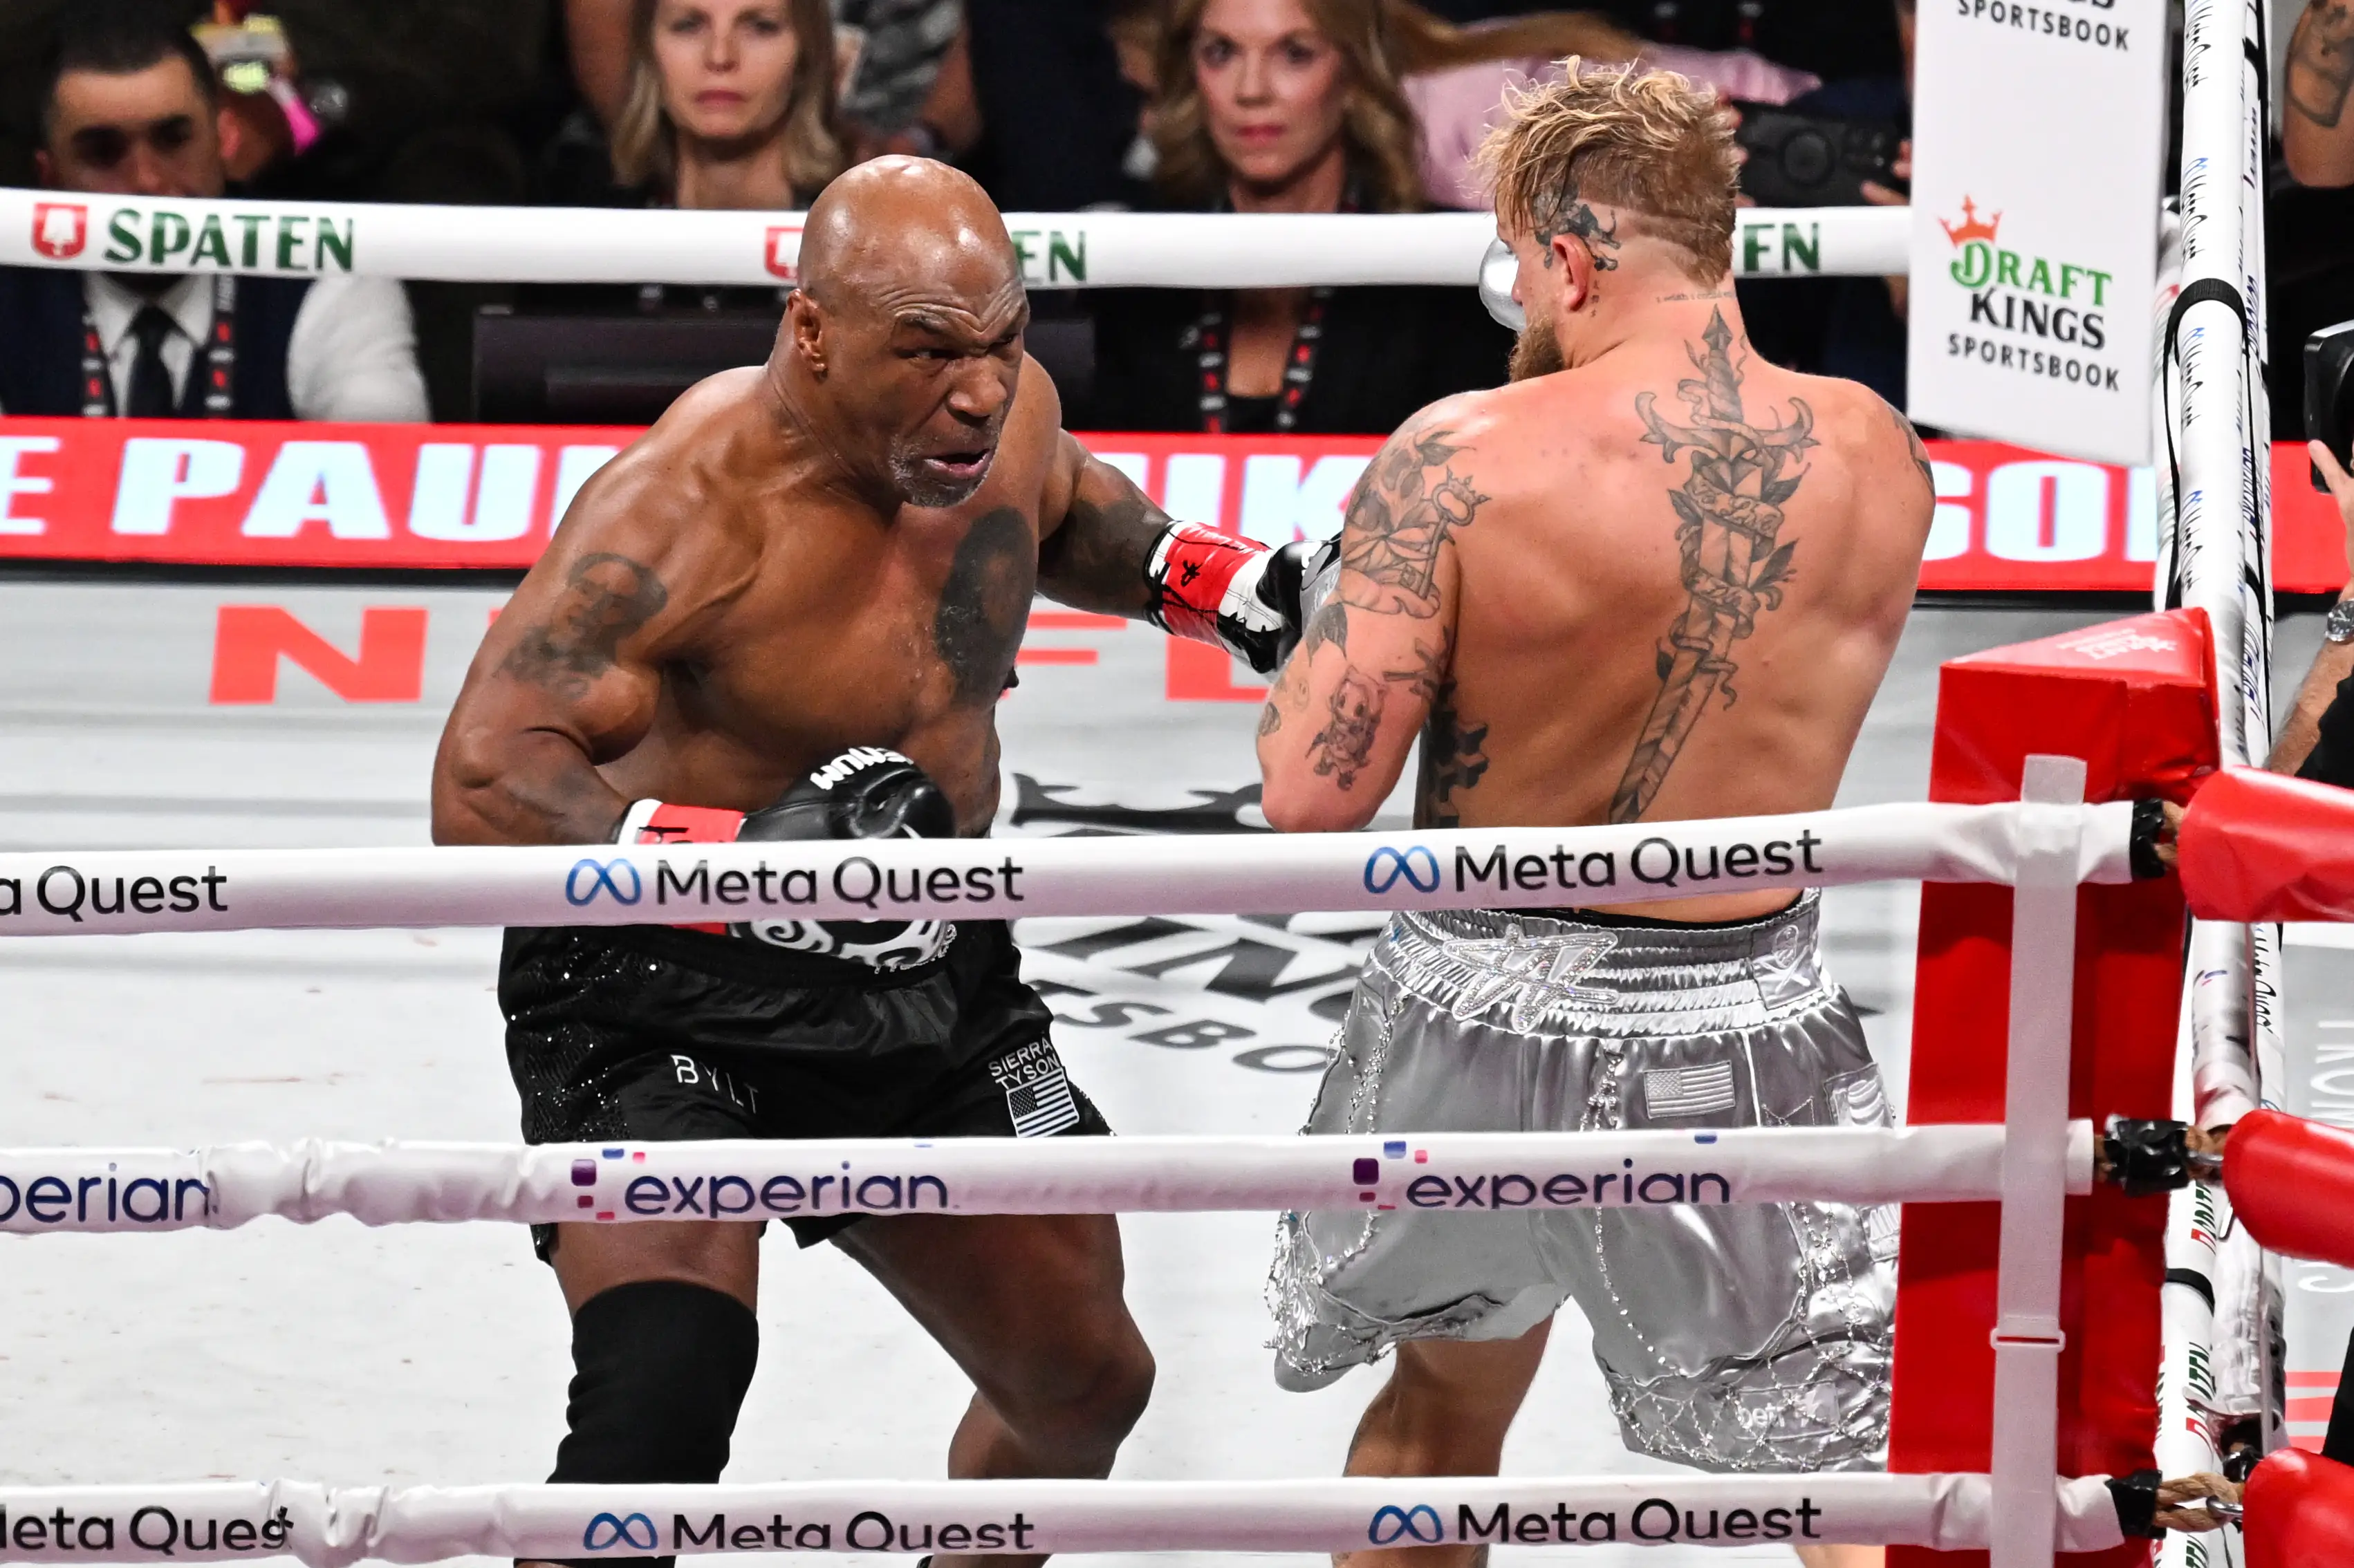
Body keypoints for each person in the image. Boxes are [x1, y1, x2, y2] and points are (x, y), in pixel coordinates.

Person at [431, 156, 1332, 1568]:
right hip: (662, 981)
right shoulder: (684, 508)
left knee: (1083, 1386)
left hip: (928, 962)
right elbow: (484, 772)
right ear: (810, 334)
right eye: (925, 352)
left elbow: (1069, 505)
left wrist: (1223, 588)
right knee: (660, 1407)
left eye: (1001, 340)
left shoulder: (999, 414)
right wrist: (734, 863)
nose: (976, 391)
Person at [1254, 62, 1932, 1568]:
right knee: (1837, 1476)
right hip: (1742, 1014)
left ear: (1564, 256)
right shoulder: (1883, 457)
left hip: (1476, 1021)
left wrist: (1319, 626)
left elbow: (1310, 797)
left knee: (1439, 1424)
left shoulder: (1459, 461)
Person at [1077, 0, 1511, 436]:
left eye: (1295, 54)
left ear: (1353, 74)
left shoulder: (1447, 276)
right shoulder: (1140, 273)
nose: (1251, 90)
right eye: (1221, 53)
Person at [0, 5, 428, 423]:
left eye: (173, 140)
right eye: (103, 152)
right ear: (49, 175)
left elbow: (381, 470)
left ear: (225, 140)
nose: (147, 181)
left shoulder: (325, 270)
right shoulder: (12, 288)